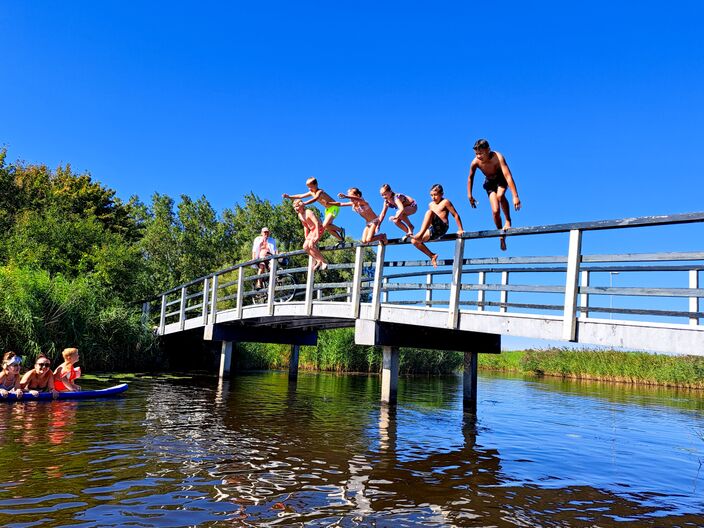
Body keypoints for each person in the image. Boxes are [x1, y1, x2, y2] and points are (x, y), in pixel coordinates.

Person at [467, 138, 521, 251]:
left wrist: (515, 196)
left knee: (500, 196)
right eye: (476, 154)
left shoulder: (498, 157)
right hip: (490, 183)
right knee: (495, 211)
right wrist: (470, 195)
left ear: (488, 150)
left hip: (501, 179)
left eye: (481, 153)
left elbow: (508, 176)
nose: (479, 156)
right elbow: (470, 177)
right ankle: (501, 235)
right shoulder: (475, 162)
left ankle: (508, 220)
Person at [411, 184, 464, 268]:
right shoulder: (431, 204)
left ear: (441, 194)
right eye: (431, 195)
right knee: (414, 241)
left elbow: (455, 215)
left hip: (442, 227)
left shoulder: (445, 202)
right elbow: (429, 220)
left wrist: (460, 229)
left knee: (429, 212)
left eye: (435, 195)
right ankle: (432, 255)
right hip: (433, 229)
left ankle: (420, 234)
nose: (433, 197)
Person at [283, 178, 345, 245]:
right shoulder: (311, 192)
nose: (310, 189)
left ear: (316, 185)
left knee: (324, 225)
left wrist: (305, 203)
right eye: (308, 187)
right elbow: (300, 196)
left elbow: (315, 198)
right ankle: (341, 239)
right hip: (327, 210)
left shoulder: (320, 191)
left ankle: (341, 230)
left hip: (334, 207)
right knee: (327, 227)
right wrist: (289, 197)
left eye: (311, 186)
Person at [293, 199, 328, 270]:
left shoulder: (308, 212)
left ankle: (324, 262)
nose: (296, 208)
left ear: (301, 206)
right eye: (294, 207)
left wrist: (317, 235)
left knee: (311, 244)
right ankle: (318, 261)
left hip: (318, 228)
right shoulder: (300, 215)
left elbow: (317, 223)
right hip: (312, 231)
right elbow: (305, 226)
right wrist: (306, 236)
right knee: (305, 246)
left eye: (297, 206)